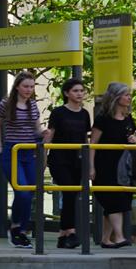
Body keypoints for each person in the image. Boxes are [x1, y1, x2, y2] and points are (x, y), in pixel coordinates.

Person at [0, 71, 46, 248]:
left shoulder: (33, 105)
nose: (29, 90)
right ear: (17, 87)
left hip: (29, 152)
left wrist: (44, 133)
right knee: (21, 190)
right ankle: (15, 227)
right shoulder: (6, 104)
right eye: (25, 86)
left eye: (31, 86)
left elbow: (37, 130)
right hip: (12, 150)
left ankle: (21, 230)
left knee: (29, 193)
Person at [45, 78, 91, 249]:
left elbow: (84, 137)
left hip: (77, 160)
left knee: (72, 195)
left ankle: (63, 235)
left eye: (81, 90)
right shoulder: (58, 112)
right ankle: (70, 231)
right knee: (69, 191)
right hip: (59, 159)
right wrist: (43, 156)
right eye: (75, 91)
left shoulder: (85, 114)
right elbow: (50, 134)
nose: (79, 94)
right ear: (66, 93)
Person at [90, 82, 136, 249]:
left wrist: (133, 139)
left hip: (122, 166)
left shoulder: (128, 119)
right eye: (125, 94)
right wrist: (91, 167)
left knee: (118, 200)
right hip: (104, 165)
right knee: (112, 200)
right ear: (116, 97)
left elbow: (130, 137)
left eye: (129, 94)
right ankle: (119, 236)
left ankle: (106, 239)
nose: (129, 97)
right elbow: (93, 144)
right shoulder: (103, 119)